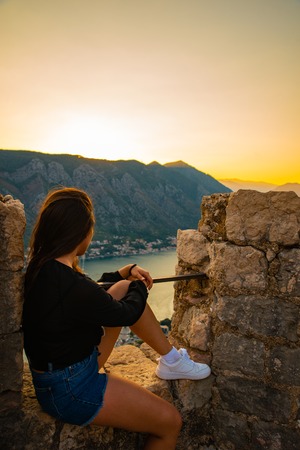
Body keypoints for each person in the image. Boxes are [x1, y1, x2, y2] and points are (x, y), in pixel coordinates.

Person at [22, 187, 211, 450]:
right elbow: (127, 313)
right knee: (170, 422)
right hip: (72, 388)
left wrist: (126, 273)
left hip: (59, 376)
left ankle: (170, 360)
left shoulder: (43, 268)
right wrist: (139, 285)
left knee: (121, 289)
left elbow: (92, 292)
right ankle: (171, 360)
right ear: (80, 233)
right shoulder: (69, 283)